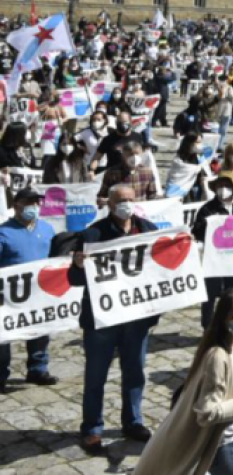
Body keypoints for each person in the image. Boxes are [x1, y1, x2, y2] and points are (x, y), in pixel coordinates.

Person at [132, 288, 233, 475]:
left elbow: (231, 377)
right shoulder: (217, 356)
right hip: (225, 440)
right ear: (224, 319)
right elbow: (207, 412)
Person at [71, 184, 159, 455]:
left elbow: (160, 272)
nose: (126, 204)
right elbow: (74, 280)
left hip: (136, 318)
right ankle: (92, 429)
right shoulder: (92, 234)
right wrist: (77, 265)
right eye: (121, 200)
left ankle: (133, 422)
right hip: (102, 320)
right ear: (109, 204)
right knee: (96, 376)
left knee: (135, 373)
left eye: (130, 200)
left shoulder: (149, 230)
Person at [0, 187, 59, 392]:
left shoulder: (47, 229)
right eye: (28, 203)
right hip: (9, 295)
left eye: (36, 203)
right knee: (3, 336)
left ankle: (37, 368)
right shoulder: (4, 232)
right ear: (16, 206)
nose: (33, 207)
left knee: (40, 331)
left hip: (39, 293)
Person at [192, 172, 233, 328]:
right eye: (220, 186)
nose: (223, 189)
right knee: (209, 294)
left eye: (227, 186)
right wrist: (211, 224)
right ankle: (208, 327)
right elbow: (197, 231)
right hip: (213, 259)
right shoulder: (207, 209)